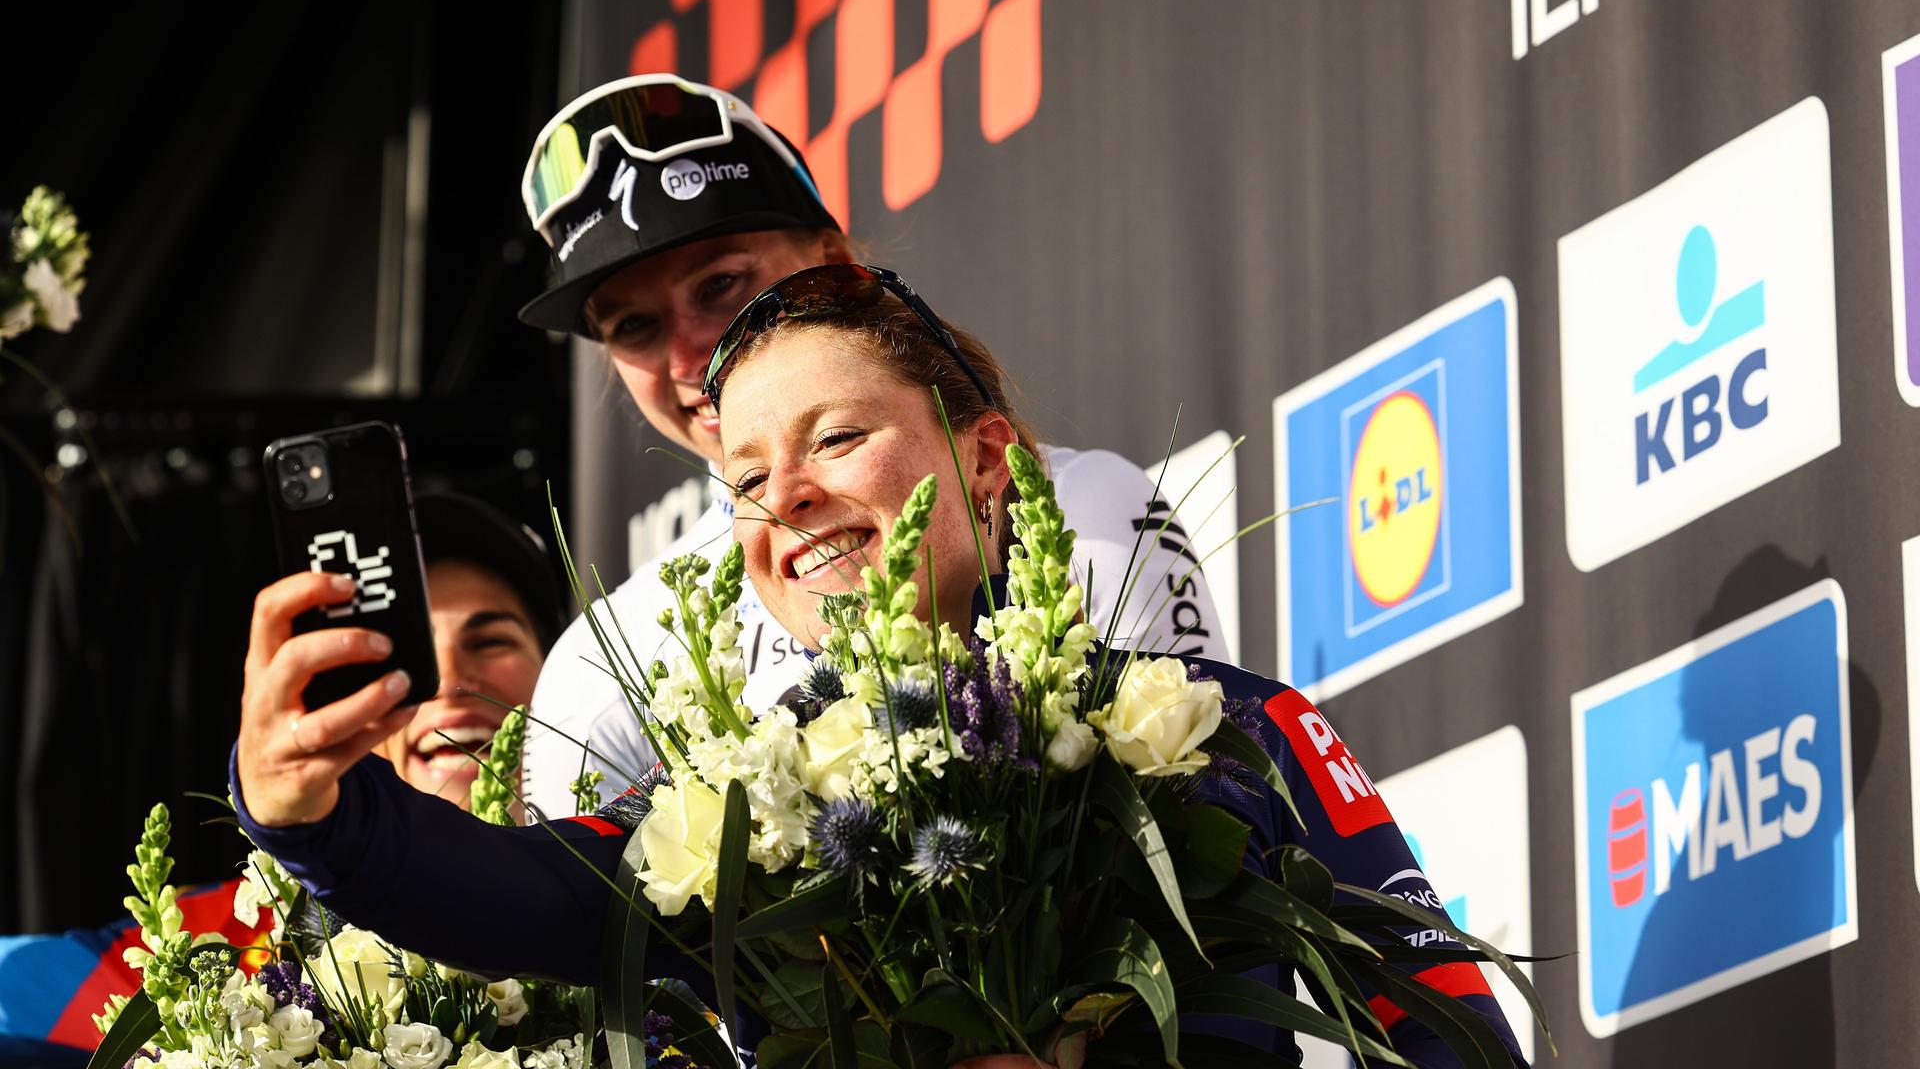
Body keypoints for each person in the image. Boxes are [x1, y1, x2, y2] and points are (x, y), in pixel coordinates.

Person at [231, 270, 1528, 1067]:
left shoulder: (1225, 723)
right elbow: (512, 895)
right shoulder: (738, 809)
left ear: (982, 461)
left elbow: (1450, 1030)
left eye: (837, 438)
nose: (787, 498)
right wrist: (305, 805)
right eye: (744, 480)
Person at [513, 74, 1231, 820]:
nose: (692, 354)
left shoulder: (1076, 505)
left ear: (833, 260)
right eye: (633, 328)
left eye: (720, 284)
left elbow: (1200, 812)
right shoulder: (605, 659)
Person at [0, 493, 565, 1065]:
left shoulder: (642, 903)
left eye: (491, 641)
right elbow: (16, 992)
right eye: (407, 651)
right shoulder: (208, 949)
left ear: (560, 672)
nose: (446, 679)